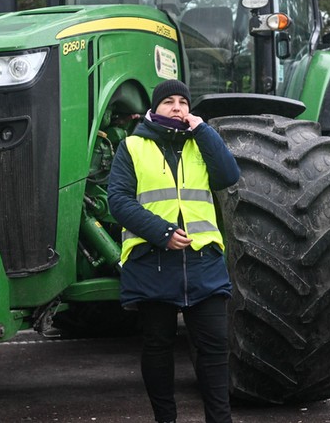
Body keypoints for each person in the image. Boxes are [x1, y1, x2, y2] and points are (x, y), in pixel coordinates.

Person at [107, 79, 241, 423]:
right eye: (169, 101)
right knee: (158, 346)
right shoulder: (133, 146)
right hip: (153, 262)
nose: (178, 107)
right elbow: (118, 201)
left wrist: (204, 131)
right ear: (154, 108)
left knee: (215, 349)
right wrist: (162, 233)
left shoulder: (201, 142)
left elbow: (228, 176)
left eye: (183, 101)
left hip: (203, 262)